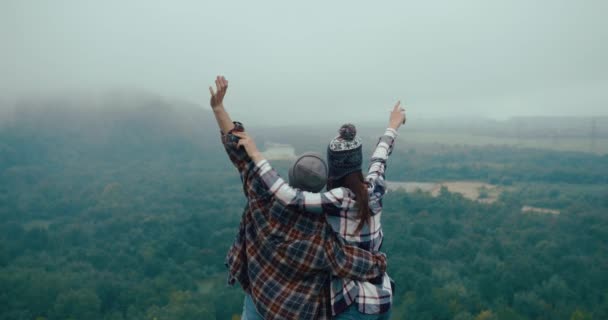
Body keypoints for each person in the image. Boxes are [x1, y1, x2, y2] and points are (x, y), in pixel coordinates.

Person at [208, 75, 389, 320]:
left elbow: (240, 155)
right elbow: (350, 262)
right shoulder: (321, 234)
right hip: (293, 312)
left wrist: (218, 108)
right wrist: (379, 263)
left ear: (290, 177)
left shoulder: (262, 198)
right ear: (323, 185)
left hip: (258, 298)